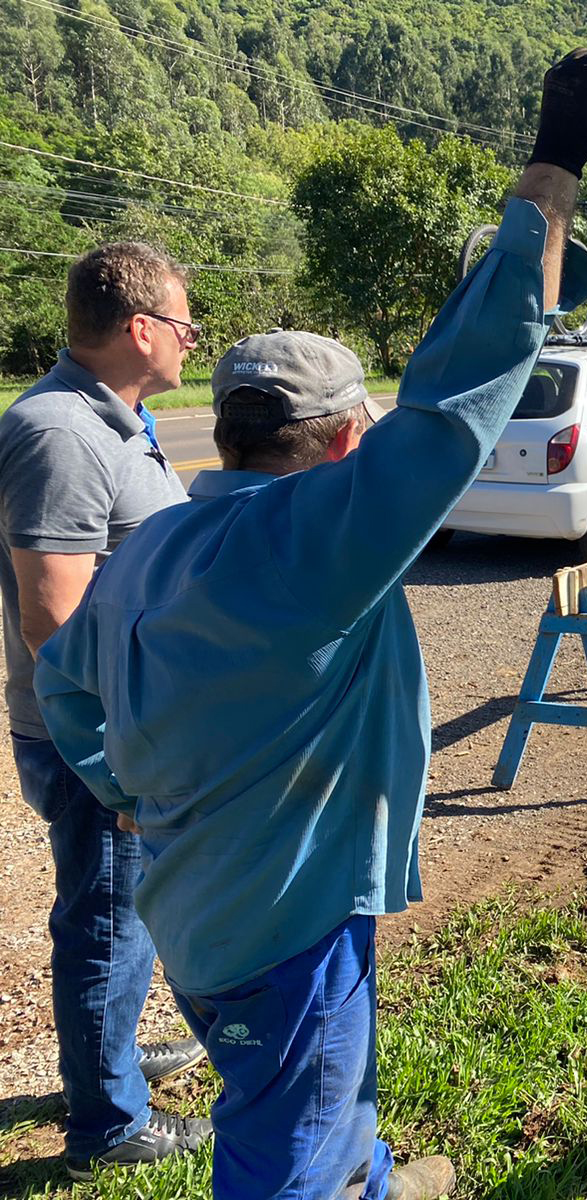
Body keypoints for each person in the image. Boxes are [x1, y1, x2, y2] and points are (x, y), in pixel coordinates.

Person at [33, 47, 587, 1200]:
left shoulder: (156, 542)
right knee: (283, 1147)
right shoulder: (316, 547)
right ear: (347, 440)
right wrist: (552, 168)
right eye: (367, 430)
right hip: (281, 929)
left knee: (317, 1095)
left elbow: (65, 695)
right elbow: (458, 394)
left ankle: (370, 1176)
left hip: (198, 905)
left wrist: (152, 794)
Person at [0, 242, 209, 1178]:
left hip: (132, 728)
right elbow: (55, 616)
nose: (192, 337)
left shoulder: (118, 419)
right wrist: (119, 751)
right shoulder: (59, 433)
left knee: (131, 911)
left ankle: (108, 1057)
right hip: (99, 739)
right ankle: (110, 1124)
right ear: (140, 329)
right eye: (183, 322)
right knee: (109, 921)